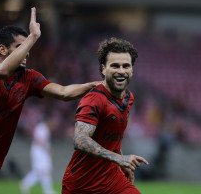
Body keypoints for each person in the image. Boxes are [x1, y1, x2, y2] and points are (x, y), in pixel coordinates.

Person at [0, 7, 99, 170]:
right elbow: (2, 71)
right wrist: (33, 36)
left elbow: (64, 93)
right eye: (20, 47)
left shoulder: (29, 78)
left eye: (28, 49)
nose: (27, 53)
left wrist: (93, 85)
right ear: (2, 49)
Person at [62, 37, 149, 194]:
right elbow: (80, 139)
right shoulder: (93, 99)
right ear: (103, 69)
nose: (121, 71)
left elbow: (112, 139)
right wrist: (119, 159)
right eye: (115, 66)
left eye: (126, 66)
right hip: (82, 184)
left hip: (111, 179)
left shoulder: (129, 98)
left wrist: (121, 161)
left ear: (132, 70)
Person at [20, 115, 57, 194]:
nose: (53, 125)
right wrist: (47, 150)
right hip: (39, 152)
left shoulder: (45, 128)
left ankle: (26, 184)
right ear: (49, 121)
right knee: (42, 171)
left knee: (41, 172)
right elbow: (39, 139)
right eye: (52, 123)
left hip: (41, 151)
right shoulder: (41, 127)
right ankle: (47, 190)